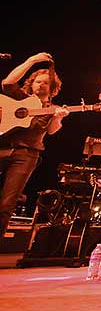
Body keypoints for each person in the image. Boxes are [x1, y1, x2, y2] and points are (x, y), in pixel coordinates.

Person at [0, 53, 69, 236]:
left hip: (26, 155)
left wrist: (58, 117)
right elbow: (7, 83)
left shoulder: (51, 109)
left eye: (46, 82)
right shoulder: (20, 98)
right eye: (38, 81)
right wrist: (32, 61)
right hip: (2, 146)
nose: (41, 84)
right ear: (31, 82)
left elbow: (52, 130)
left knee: (6, 204)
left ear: (52, 87)